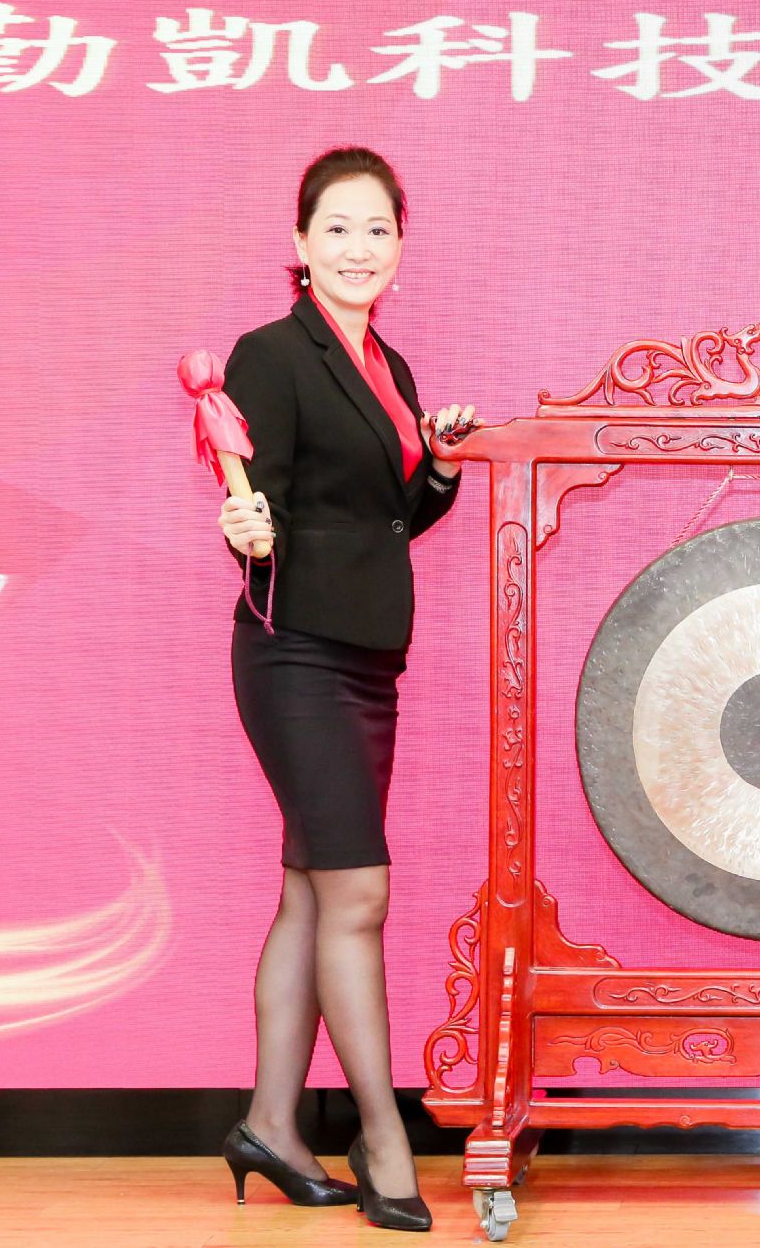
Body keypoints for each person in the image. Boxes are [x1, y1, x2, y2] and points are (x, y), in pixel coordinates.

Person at [215, 146, 475, 1233]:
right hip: (296, 653)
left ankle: (271, 1125)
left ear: (401, 247)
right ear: (300, 243)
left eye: (378, 229)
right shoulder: (269, 354)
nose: (358, 247)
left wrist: (439, 465)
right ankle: (381, 1136)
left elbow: (391, 517)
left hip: (369, 657)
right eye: (337, 227)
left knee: (312, 894)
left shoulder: (390, 366)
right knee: (357, 893)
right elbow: (258, 504)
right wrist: (245, 526)